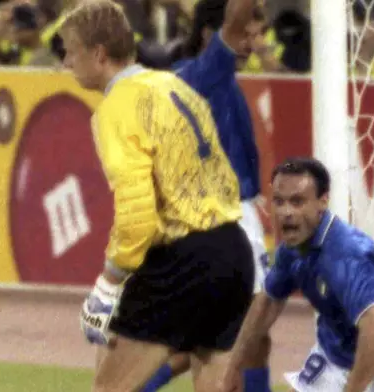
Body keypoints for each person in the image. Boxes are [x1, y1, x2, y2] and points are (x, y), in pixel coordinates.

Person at [63, 1, 255, 391]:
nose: (67, 62)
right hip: (233, 251)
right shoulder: (171, 85)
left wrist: (108, 282)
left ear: (98, 54)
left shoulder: (117, 106)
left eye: (70, 51)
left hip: (183, 259)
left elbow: (137, 215)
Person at [220, 157, 374, 392]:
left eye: (297, 202)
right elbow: (266, 303)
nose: (286, 212)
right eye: (279, 201)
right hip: (339, 352)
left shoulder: (343, 255)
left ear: (322, 202)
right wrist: (233, 367)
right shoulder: (292, 248)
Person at [142, 0, 273, 391]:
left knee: (247, 338)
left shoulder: (211, 79)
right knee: (235, 339)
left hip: (230, 215)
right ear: (211, 35)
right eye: (247, 34)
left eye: (257, 33)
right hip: (222, 222)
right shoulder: (206, 74)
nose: (254, 43)